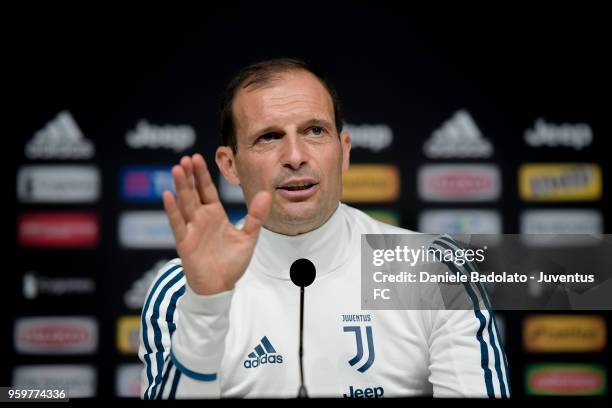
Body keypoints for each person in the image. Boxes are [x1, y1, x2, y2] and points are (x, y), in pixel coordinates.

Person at [138, 58, 510, 399]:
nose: (296, 157)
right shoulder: (183, 290)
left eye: (314, 131)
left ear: (344, 150)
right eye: (269, 137)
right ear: (230, 164)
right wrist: (207, 306)